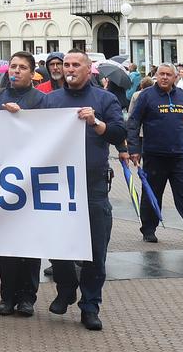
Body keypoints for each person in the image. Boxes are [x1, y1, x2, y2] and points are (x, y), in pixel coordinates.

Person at [44, 50, 127, 331]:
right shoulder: (51, 100)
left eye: (75, 64)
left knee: (95, 248)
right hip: (58, 183)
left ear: (88, 68)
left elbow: (119, 133)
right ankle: (66, 288)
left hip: (93, 184)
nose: (69, 69)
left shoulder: (105, 99)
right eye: (66, 65)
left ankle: (90, 305)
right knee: (57, 242)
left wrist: (97, 123)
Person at [126, 65, 183, 249]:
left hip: (180, 156)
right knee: (152, 194)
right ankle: (148, 229)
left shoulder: (181, 96)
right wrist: (134, 149)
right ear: (156, 76)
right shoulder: (146, 96)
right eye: (161, 74)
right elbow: (133, 122)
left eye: (168, 75)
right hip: (154, 155)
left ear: (176, 77)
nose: (164, 78)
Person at [0, 51, 44, 316]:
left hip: (32, 181)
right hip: (4, 179)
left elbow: (50, 131)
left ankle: (28, 298)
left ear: (33, 72)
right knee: (8, 242)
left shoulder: (42, 101)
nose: (16, 71)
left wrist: (23, 117)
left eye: (22, 67)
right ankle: (7, 296)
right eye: (13, 66)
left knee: (30, 242)